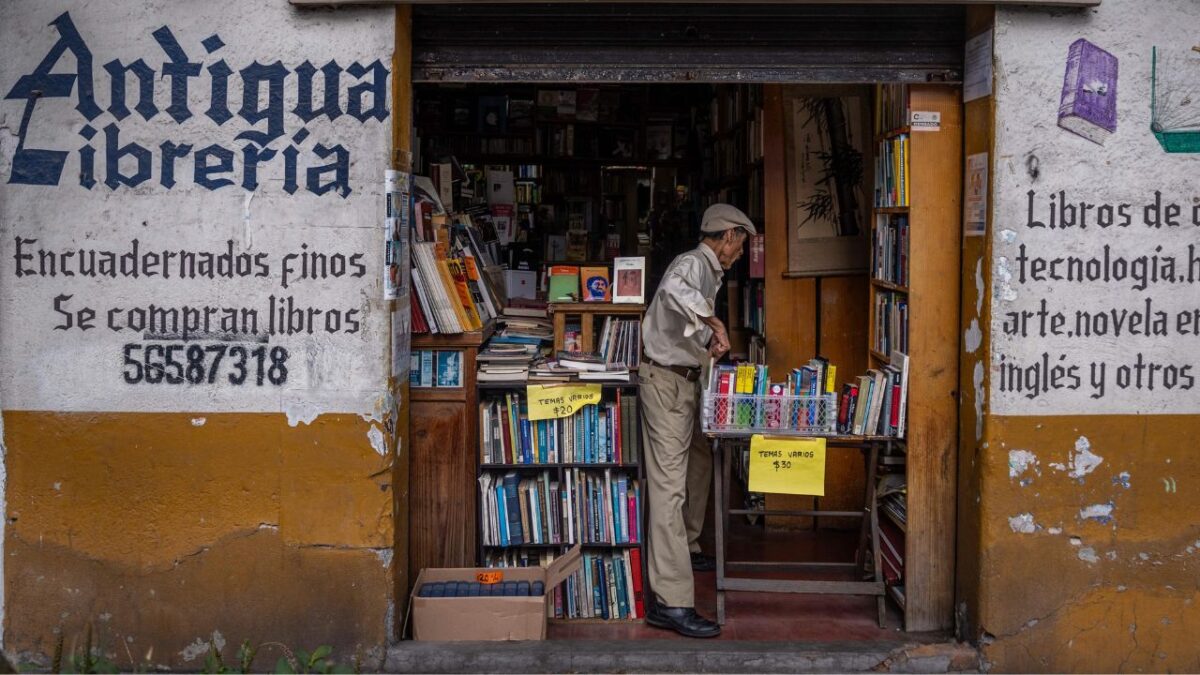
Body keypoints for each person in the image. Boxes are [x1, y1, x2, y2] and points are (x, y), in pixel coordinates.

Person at [639, 203, 754, 638]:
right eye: (741, 243)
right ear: (728, 237)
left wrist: (709, 343)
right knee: (669, 488)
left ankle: (687, 545)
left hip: (687, 381)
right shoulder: (691, 263)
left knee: (700, 458)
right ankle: (671, 601)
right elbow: (673, 292)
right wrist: (715, 320)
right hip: (667, 384)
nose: (741, 253)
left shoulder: (710, 270)